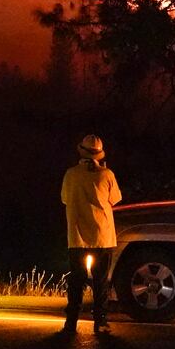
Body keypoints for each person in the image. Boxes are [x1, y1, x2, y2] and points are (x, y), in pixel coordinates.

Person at [60, 134, 122, 334]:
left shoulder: (71, 174)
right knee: (100, 280)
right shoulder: (107, 174)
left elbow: (65, 199)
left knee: (76, 280)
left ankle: (71, 322)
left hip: (77, 235)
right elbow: (115, 199)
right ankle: (100, 321)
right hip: (102, 234)